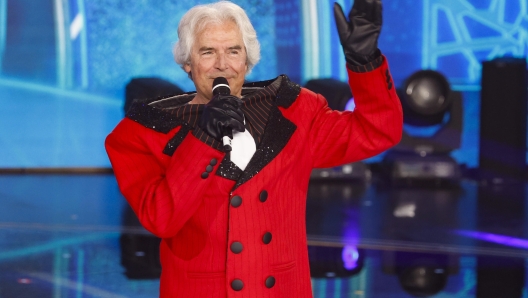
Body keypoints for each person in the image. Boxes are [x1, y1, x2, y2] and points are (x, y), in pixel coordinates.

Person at [105, 0, 402, 297]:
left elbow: (378, 131)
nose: (222, 64)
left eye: (233, 51)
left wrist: (365, 63)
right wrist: (204, 140)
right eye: (207, 52)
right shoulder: (140, 133)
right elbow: (162, 219)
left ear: (247, 60)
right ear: (187, 62)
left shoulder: (295, 111)